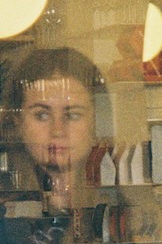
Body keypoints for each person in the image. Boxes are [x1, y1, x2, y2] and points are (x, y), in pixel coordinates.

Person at [1, 47, 106, 213]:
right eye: (42, 115)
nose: (58, 131)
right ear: (18, 122)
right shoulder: (6, 209)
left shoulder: (120, 207)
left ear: (95, 122)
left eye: (72, 115)